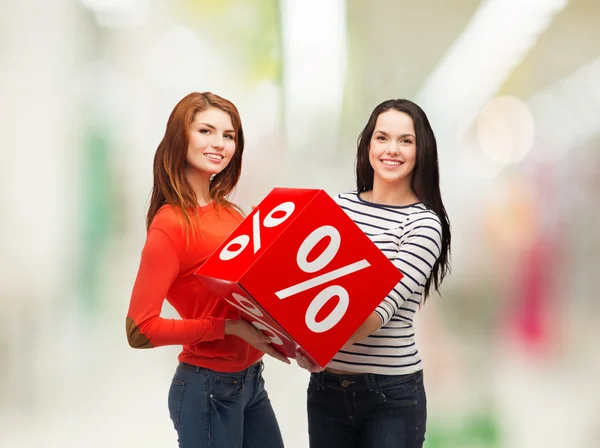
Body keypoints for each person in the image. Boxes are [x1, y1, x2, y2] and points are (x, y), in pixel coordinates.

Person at [126, 92, 289, 448]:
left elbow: (251, 295)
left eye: (229, 135)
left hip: (251, 383)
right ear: (179, 138)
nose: (219, 144)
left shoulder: (232, 214)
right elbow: (140, 329)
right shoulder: (169, 225)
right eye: (206, 131)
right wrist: (228, 328)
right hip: (207, 388)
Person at [296, 99, 451, 447]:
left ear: (421, 150)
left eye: (405, 141)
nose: (391, 149)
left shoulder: (424, 224)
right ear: (368, 145)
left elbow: (376, 313)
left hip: (390, 395)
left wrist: (312, 338)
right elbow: (304, 288)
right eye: (382, 138)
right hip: (326, 393)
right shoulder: (337, 207)